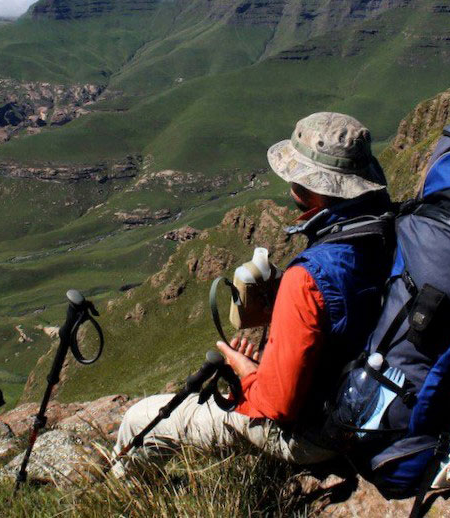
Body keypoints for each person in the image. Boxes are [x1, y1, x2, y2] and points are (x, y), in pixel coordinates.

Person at [112, 112, 392, 474]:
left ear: (310, 190)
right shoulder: (389, 230)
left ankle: (125, 495)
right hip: (371, 402)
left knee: (139, 420)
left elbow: (277, 406)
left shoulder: (308, 277)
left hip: (318, 434)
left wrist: (245, 371)